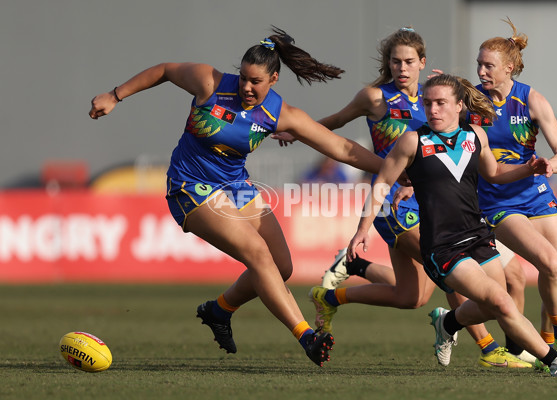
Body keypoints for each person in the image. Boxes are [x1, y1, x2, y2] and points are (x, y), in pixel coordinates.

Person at [88, 27, 390, 367]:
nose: (247, 87)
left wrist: (393, 168)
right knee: (258, 255)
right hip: (190, 186)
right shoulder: (210, 82)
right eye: (244, 78)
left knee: (281, 267)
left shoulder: (280, 113)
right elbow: (165, 70)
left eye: (256, 81)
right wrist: (115, 95)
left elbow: (342, 149)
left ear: (274, 78)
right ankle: (307, 336)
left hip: (236, 186)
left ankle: (219, 310)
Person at [275, 27, 530, 368]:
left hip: (430, 202)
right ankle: (488, 347)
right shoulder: (375, 98)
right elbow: (335, 122)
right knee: (448, 265)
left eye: (409, 61)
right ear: (389, 63)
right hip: (392, 204)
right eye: (395, 61)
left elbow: (473, 126)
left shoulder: (434, 97)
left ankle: (333, 293)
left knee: (414, 297)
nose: (402, 68)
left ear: (422, 63)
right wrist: (296, 132)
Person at [348, 73, 557, 377]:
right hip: (442, 246)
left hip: (477, 235)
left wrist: (527, 168)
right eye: (428, 103)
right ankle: (555, 362)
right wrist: (362, 230)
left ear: (459, 105)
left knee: (494, 305)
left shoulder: (475, 137)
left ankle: (448, 322)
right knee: (501, 301)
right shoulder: (412, 141)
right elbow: (381, 184)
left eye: (441, 103)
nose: (432, 110)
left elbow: (494, 172)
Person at [467, 18, 557, 367]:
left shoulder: (531, 99)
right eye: (479, 64)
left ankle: (547, 344)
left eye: (488, 65)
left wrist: (553, 165)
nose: (482, 71)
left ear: (508, 68)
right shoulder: (473, 101)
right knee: (548, 264)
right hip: (497, 199)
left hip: (536, 193)